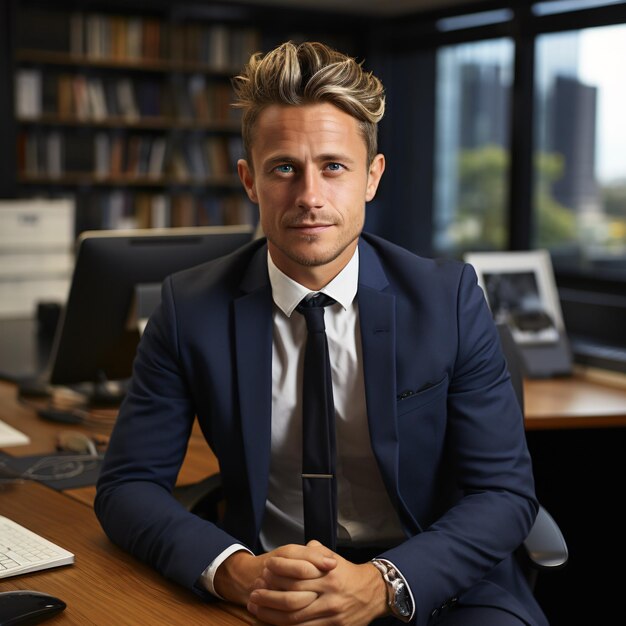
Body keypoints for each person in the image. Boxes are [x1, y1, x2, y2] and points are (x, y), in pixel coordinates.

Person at [95, 41, 548, 626]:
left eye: (333, 166)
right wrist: (232, 570)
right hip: (267, 586)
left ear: (371, 177)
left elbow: (505, 494)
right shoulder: (189, 309)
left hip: (433, 585)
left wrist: (384, 584)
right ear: (249, 181)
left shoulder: (449, 300)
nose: (310, 197)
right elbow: (128, 486)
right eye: (284, 167)